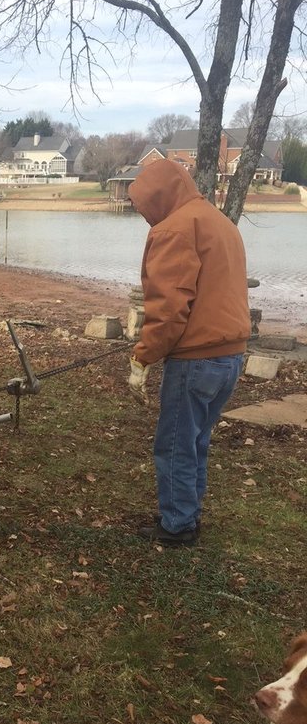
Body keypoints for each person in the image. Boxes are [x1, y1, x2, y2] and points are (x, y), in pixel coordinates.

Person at [127, 159, 250, 547]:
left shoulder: (176, 229)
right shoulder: (218, 221)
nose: (144, 213)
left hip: (196, 359)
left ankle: (178, 526)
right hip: (230, 356)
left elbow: (168, 308)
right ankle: (186, 512)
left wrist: (142, 356)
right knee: (195, 440)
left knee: (176, 443)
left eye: (143, 204)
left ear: (158, 197)